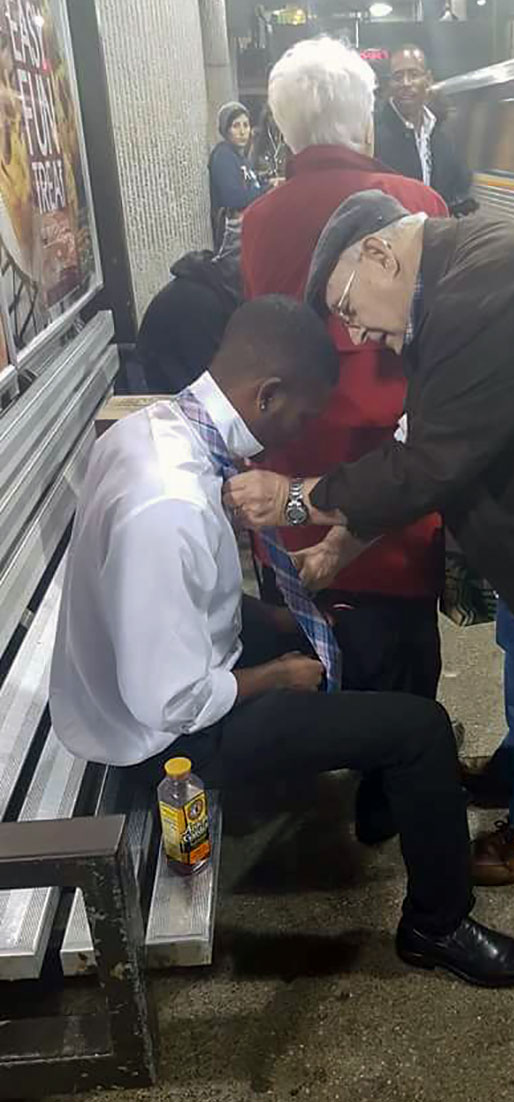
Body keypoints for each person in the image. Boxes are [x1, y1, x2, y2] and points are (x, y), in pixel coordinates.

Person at [48, 295, 514, 990]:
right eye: (302, 415)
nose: (299, 434)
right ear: (268, 394)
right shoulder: (169, 507)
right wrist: (277, 676)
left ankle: (388, 796)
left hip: (155, 670)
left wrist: (280, 623)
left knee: (346, 627)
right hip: (165, 741)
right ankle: (437, 926)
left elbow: (179, 604)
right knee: (423, 730)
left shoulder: (152, 430)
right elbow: (171, 702)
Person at [227, 191, 514, 887]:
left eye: (350, 311)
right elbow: (425, 438)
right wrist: (340, 545)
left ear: (381, 255)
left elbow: (425, 466)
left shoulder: (482, 298)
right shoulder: (451, 281)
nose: (356, 337)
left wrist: (298, 498)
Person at [241, 36, 447, 717]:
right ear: (364, 117)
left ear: (282, 125)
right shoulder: (416, 199)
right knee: (402, 647)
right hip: (396, 468)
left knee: (313, 633)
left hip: (293, 475)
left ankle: (330, 747)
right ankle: (390, 782)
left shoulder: (259, 219)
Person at [131, 226, 243, 395]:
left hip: (172, 383)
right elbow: (217, 389)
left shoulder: (214, 285)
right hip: (155, 394)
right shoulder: (201, 303)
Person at [374, 45, 470, 211]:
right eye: (398, 76)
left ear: (428, 79)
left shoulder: (443, 135)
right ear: (390, 83)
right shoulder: (375, 133)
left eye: (413, 74)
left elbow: (458, 189)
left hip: (436, 232)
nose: (405, 83)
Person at [209, 102, 264, 245]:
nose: (242, 132)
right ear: (226, 130)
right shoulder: (222, 156)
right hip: (231, 239)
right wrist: (264, 191)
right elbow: (234, 198)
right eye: (236, 126)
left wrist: (271, 183)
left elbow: (254, 183)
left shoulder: (242, 158)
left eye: (246, 125)